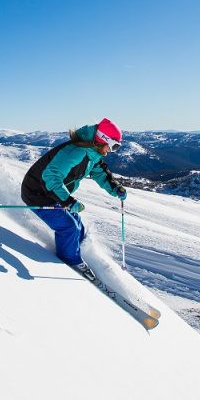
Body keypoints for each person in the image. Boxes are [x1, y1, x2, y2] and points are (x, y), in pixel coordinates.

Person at [21, 118, 127, 280]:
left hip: (53, 193)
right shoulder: (76, 152)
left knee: (79, 226)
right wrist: (68, 201)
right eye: (114, 146)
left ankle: (77, 253)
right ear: (102, 139)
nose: (112, 150)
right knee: (69, 227)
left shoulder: (93, 153)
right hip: (38, 194)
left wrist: (115, 188)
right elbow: (51, 177)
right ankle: (70, 262)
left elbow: (100, 173)